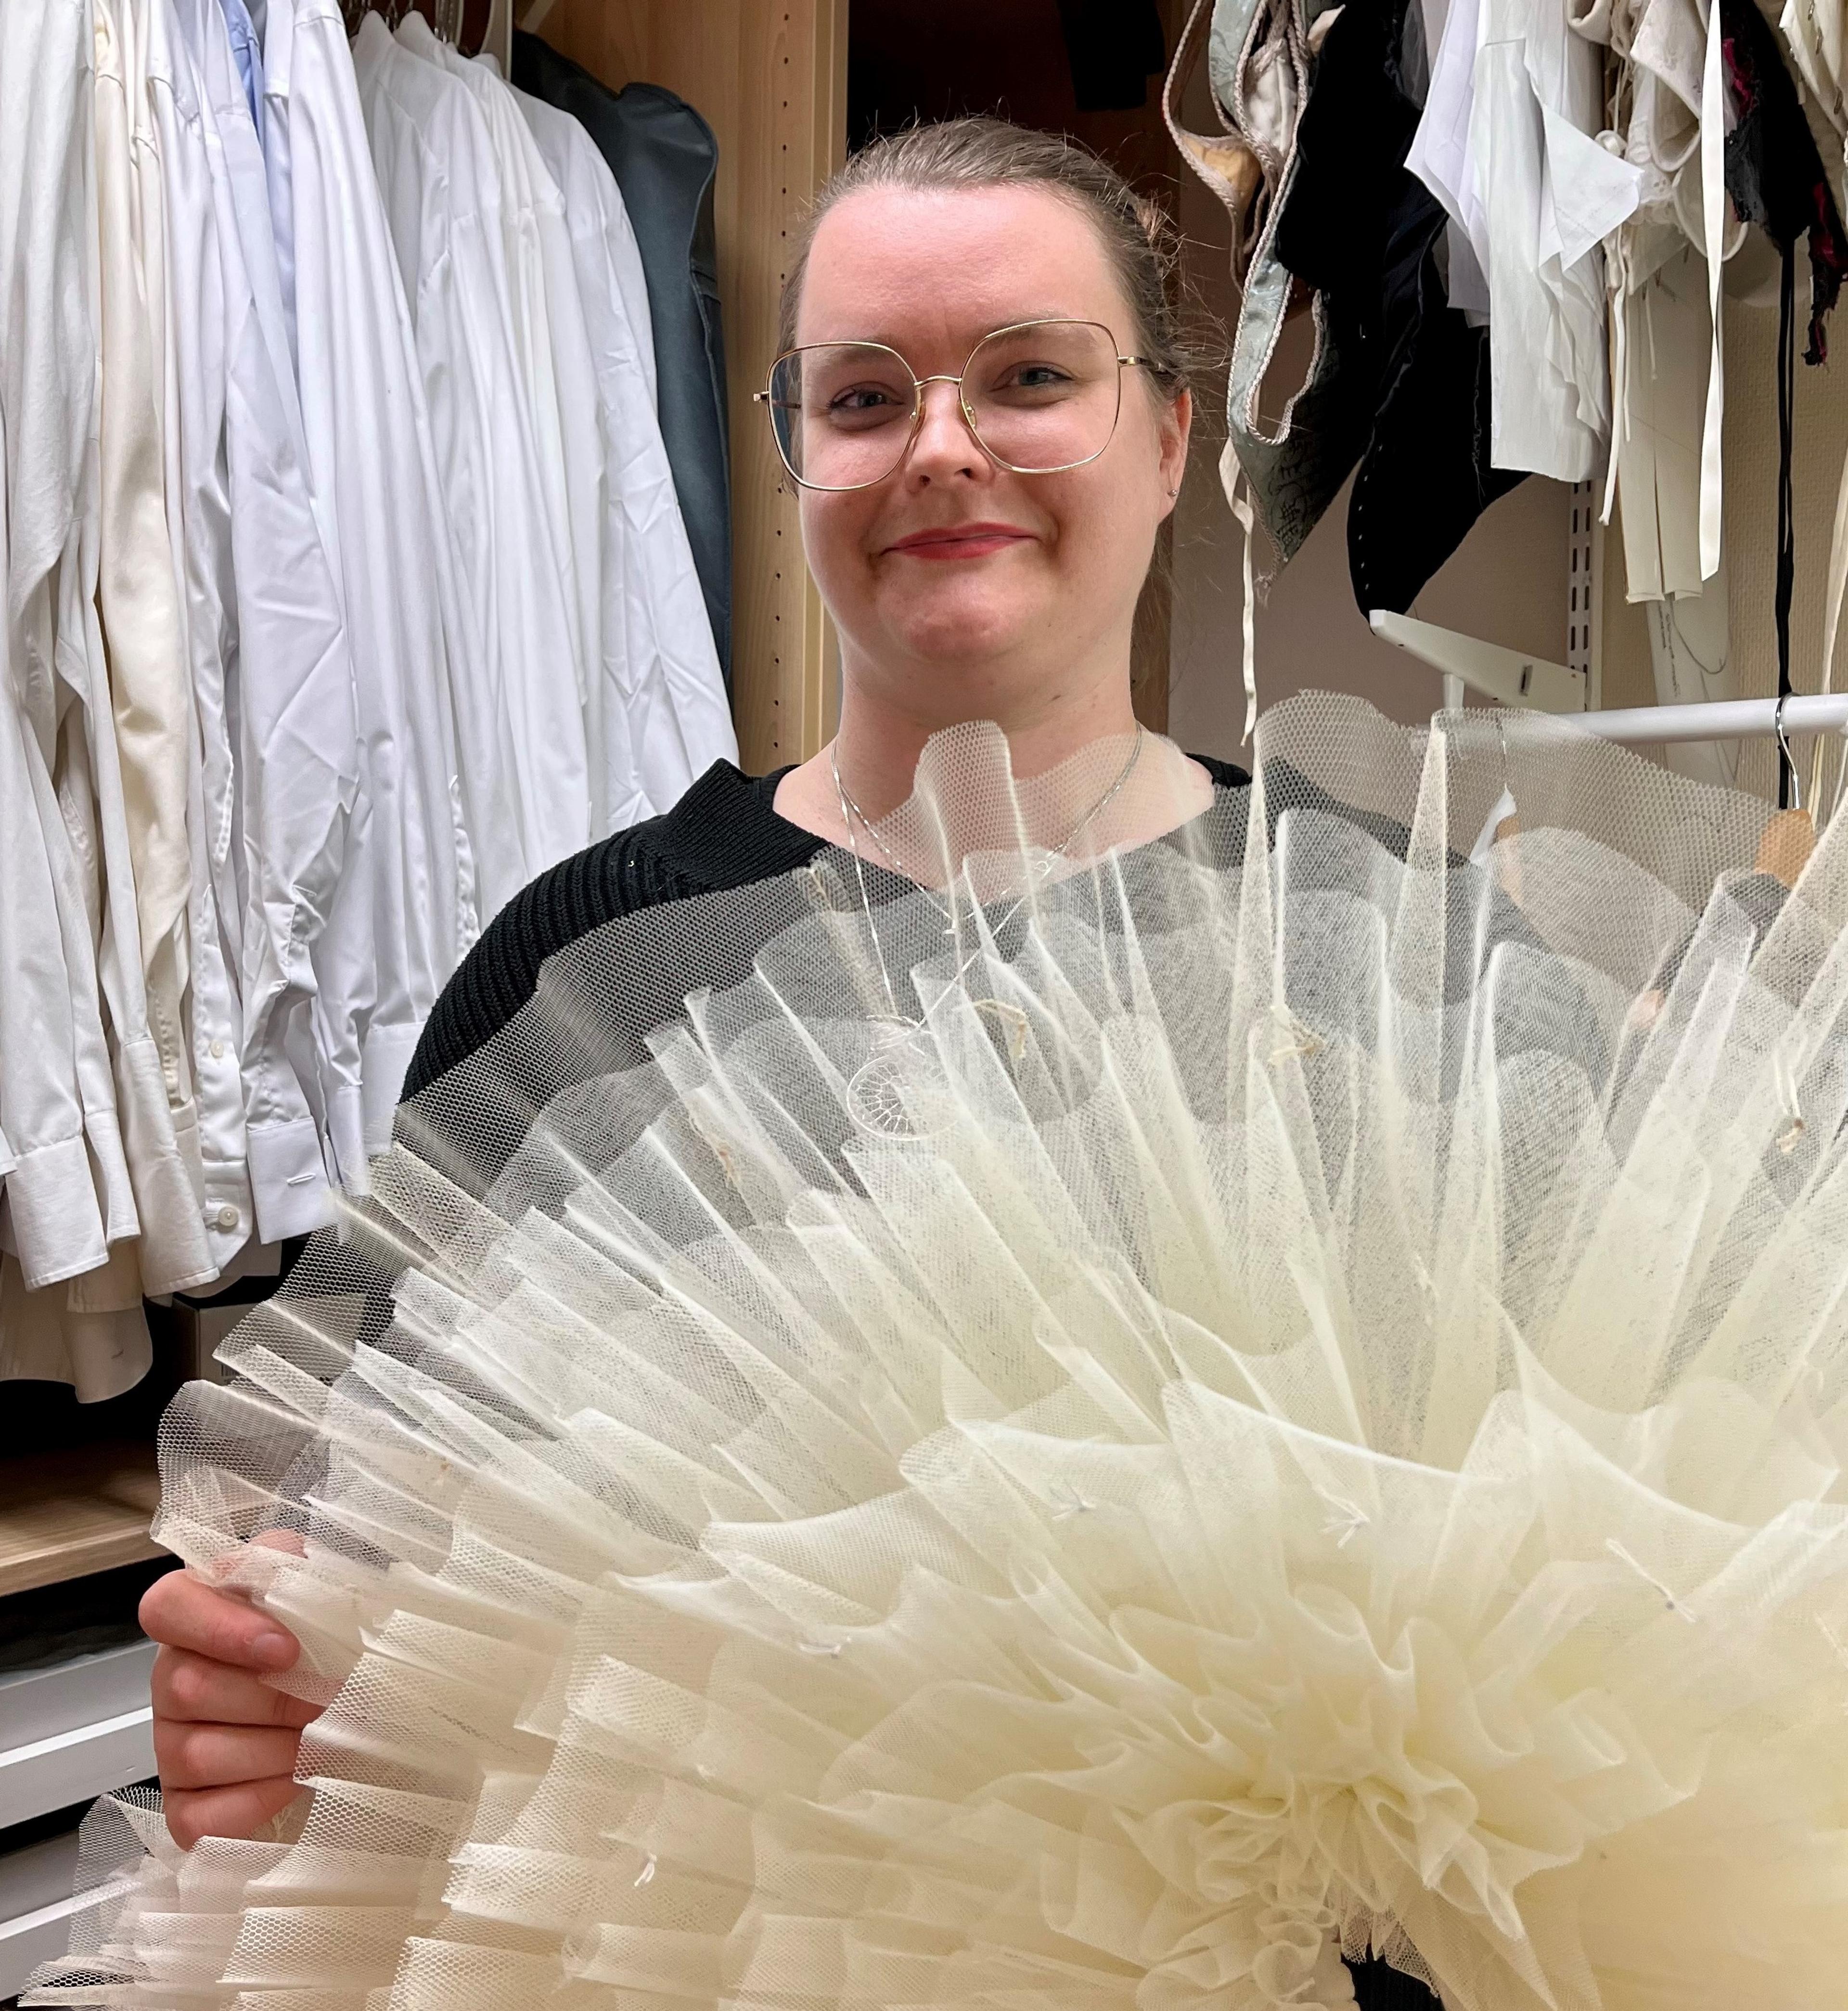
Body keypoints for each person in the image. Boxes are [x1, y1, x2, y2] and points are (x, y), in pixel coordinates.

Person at [141, 114, 1250, 1849]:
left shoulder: (1393, 950)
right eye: (863, 398)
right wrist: (267, 1712)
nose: (941, 446)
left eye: (1031, 376)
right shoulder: (581, 973)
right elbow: (354, 1558)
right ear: (795, 455)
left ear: (1171, 436)